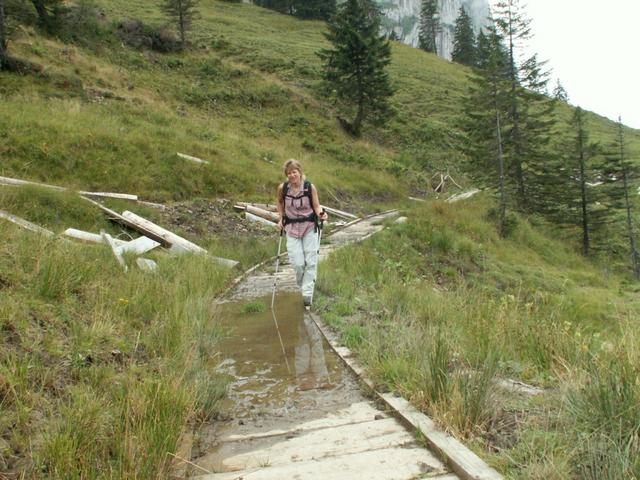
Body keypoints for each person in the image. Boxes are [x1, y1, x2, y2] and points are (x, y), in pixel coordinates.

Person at [276, 159, 328, 307]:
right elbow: (279, 202)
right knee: (298, 264)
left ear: (299, 172)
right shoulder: (283, 188)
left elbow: (316, 206)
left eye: (294, 172)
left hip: (309, 227)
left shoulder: (309, 187)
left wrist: (321, 214)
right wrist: (281, 218)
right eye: (289, 173)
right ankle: (303, 284)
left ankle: (307, 295)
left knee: (311, 262)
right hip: (291, 228)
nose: (292, 175)